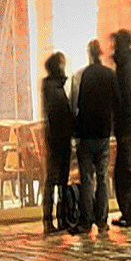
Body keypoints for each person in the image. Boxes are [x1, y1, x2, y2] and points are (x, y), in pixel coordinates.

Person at [71, 38, 119, 236]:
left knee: (87, 178)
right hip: (103, 133)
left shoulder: (84, 75)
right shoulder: (109, 75)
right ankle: (102, 220)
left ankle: (86, 220)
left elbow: (79, 104)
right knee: (102, 176)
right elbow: (116, 102)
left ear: (89, 53)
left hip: (86, 133)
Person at [110, 27, 131, 230]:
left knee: (126, 170)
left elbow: (128, 99)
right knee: (124, 170)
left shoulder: (127, 68)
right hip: (126, 125)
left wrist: (123, 120)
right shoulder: (126, 67)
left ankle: (130, 212)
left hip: (126, 126)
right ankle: (129, 211)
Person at [40, 50, 75, 233]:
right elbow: (59, 112)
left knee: (61, 179)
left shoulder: (55, 86)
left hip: (60, 138)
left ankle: (61, 217)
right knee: (54, 179)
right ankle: (50, 219)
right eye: (61, 64)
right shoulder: (52, 86)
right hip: (57, 140)